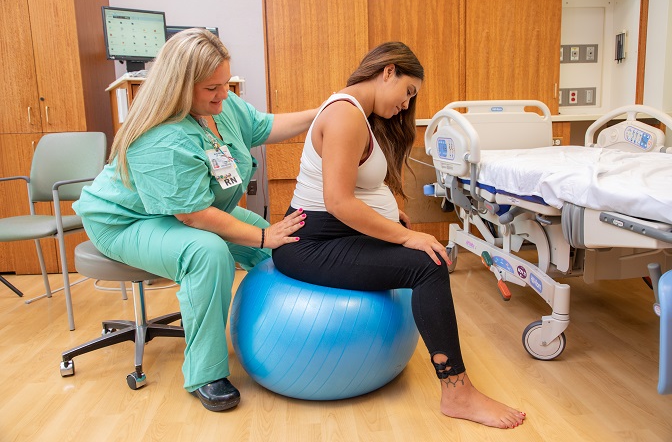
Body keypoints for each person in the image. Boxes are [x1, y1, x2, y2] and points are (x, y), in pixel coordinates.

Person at [272, 42, 526, 429]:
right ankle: (457, 392)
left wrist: (393, 217)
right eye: (408, 92)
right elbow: (338, 202)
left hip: (331, 234)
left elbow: (357, 186)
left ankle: (455, 386)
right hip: (311, 244)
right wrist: (404, 237)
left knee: (420, 247)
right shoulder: (344, 116)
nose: (407, 105)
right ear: (388, 71)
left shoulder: (358, 113)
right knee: (429, 264)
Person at [73, 28, 317, 412]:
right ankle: (206, 373)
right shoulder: (161, 137)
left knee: (283, 248)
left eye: (225, 83)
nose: (223, 93)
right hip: (125, 221)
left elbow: (267, 126)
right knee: (208, 253)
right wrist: (262, 234)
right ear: (179, 86)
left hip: (199, 208)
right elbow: (193, 215)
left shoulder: (222, 107)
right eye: (211, 88)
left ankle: (295, 336)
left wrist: (326, 110)